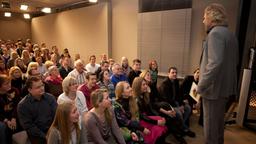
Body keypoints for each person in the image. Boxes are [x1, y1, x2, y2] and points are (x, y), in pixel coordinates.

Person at [198, 3, 238, 144]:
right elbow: (233, 63)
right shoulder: (230, 35)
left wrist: (201, 85)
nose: (203, 21)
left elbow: (215, 63)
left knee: (210, 132)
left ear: (212, 18)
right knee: (219, 128)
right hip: (224, 90)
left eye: (204, 17)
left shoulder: (215, 34)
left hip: (213, 91)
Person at [17, 76, 57, 144]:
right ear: (29, 90)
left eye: (42, 85)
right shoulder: (23, 105)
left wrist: (53, 132)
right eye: (38, 87)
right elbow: (28, 126)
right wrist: (45, 136)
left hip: (53, 129)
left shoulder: (50, 97)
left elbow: (56, 116)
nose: (42, 88)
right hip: (37, 134)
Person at [158, 67, 195, 138]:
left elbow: (179, 95)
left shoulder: (176, 81)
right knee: (179, 113)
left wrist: (181, 104)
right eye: (172, 72)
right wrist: (178, 107)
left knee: (188, 108)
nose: (175, 74)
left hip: (175, 102)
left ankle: (180, 127)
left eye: (176, 73)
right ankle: (184, 129)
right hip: (167, 104)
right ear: (168, 73)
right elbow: (167, 99)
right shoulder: (164, 84)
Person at [132, 77, 168, 144]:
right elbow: (141, 116)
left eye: (146, 84)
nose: (146, 86)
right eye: (143, 85)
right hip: (140, 121)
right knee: (158, 128)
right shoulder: (135, 99)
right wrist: (156, 122)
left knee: (162, 120)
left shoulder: (144, 95)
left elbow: (150, 110)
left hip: (146, 117)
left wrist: (159, 118)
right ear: (138, 86)